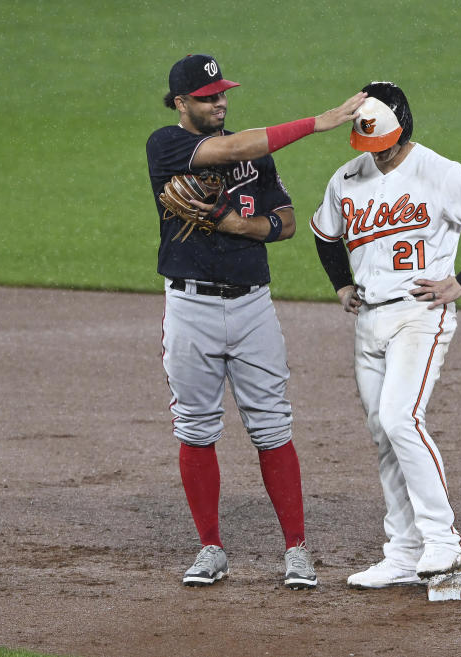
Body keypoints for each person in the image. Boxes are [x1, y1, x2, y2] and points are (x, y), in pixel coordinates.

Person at [145, 53, 365, 589]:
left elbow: (286, 222)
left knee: (272, 427)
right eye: (208, 96)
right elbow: (235, 148)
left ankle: (297, 551)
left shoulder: (257, 157)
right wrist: (320, 121)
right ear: (181, 103)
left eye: (223, 93)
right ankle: (210, 549)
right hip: (190, 308)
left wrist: (238, 225)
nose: (220, 101)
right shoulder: (166, 145)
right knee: (196, 428)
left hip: (252, 308)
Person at [310, 82, 461, 588]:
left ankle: (443, 540)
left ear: (403, 130)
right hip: (369, 322)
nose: (377, 155)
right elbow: (325, 234)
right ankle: (403, 552)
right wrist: (342, 285)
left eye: (385, 144)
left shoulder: (439, 172)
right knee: (384, 435)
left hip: (419, 316)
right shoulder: (346, 178)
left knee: (401, 417)